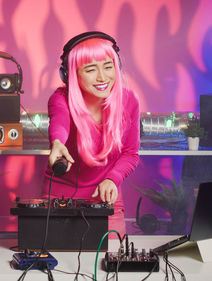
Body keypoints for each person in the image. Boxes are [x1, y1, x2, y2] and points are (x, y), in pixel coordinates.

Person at [45, 31, 141, 238]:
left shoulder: (129, 100)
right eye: (90, 69)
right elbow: (59, 121)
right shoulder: (60, 99)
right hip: (60, 198)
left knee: (109, 261)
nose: (102, 77)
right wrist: (57, 142)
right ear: (71, 74)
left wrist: (113, 179)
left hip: (105, 198)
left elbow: (131, 153)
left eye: (108, 67)